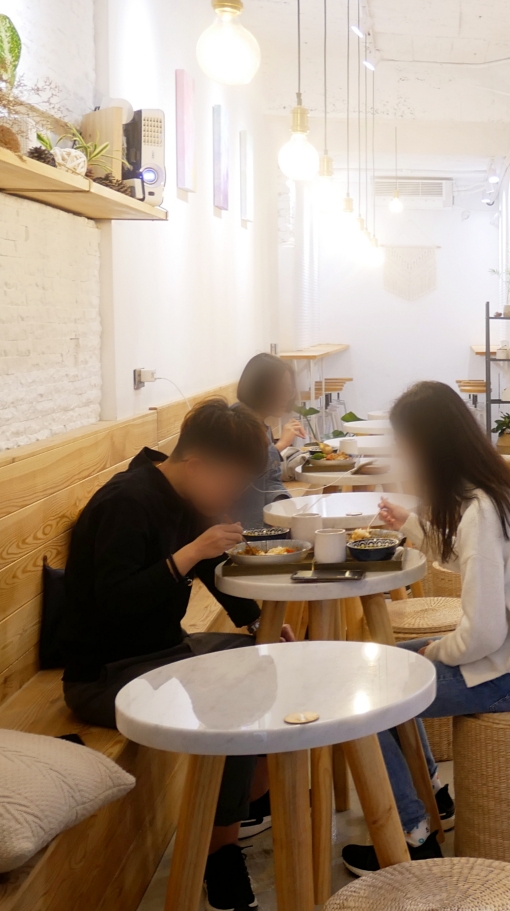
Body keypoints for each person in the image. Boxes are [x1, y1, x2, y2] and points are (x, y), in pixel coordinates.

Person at [340, 381, 510, 875]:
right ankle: (431, 795)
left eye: (406, 449)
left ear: (431, 450)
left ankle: (412, 835)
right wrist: (409, 524)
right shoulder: (504, 492)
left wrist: (433, 654)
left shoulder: (482, 514)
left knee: (365, 696)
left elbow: (482, 637)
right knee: (386, 665)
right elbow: (468, 562)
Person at [60, 399, 283, 911]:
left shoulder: (179, 494)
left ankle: (245, 803)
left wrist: (257, 624)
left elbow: (208, 570)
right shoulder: (126, 502)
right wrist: (191, 551)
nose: (234, 496)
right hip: (104, 675)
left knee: (261, 658)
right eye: (233, 482)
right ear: (198, 465)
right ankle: (220, 856)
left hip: (161, 652)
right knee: (233, 691)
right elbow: (114, 603)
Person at [233, 352, 307, 528]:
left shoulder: (262, 426)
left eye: (288, 390)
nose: (285, 397)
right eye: (279, 389)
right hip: (242, 529)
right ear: (259, 387)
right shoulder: (235, 423)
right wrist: (280, 446)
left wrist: (285, 504)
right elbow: (240, 478)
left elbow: (271, 480)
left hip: (262, 524)